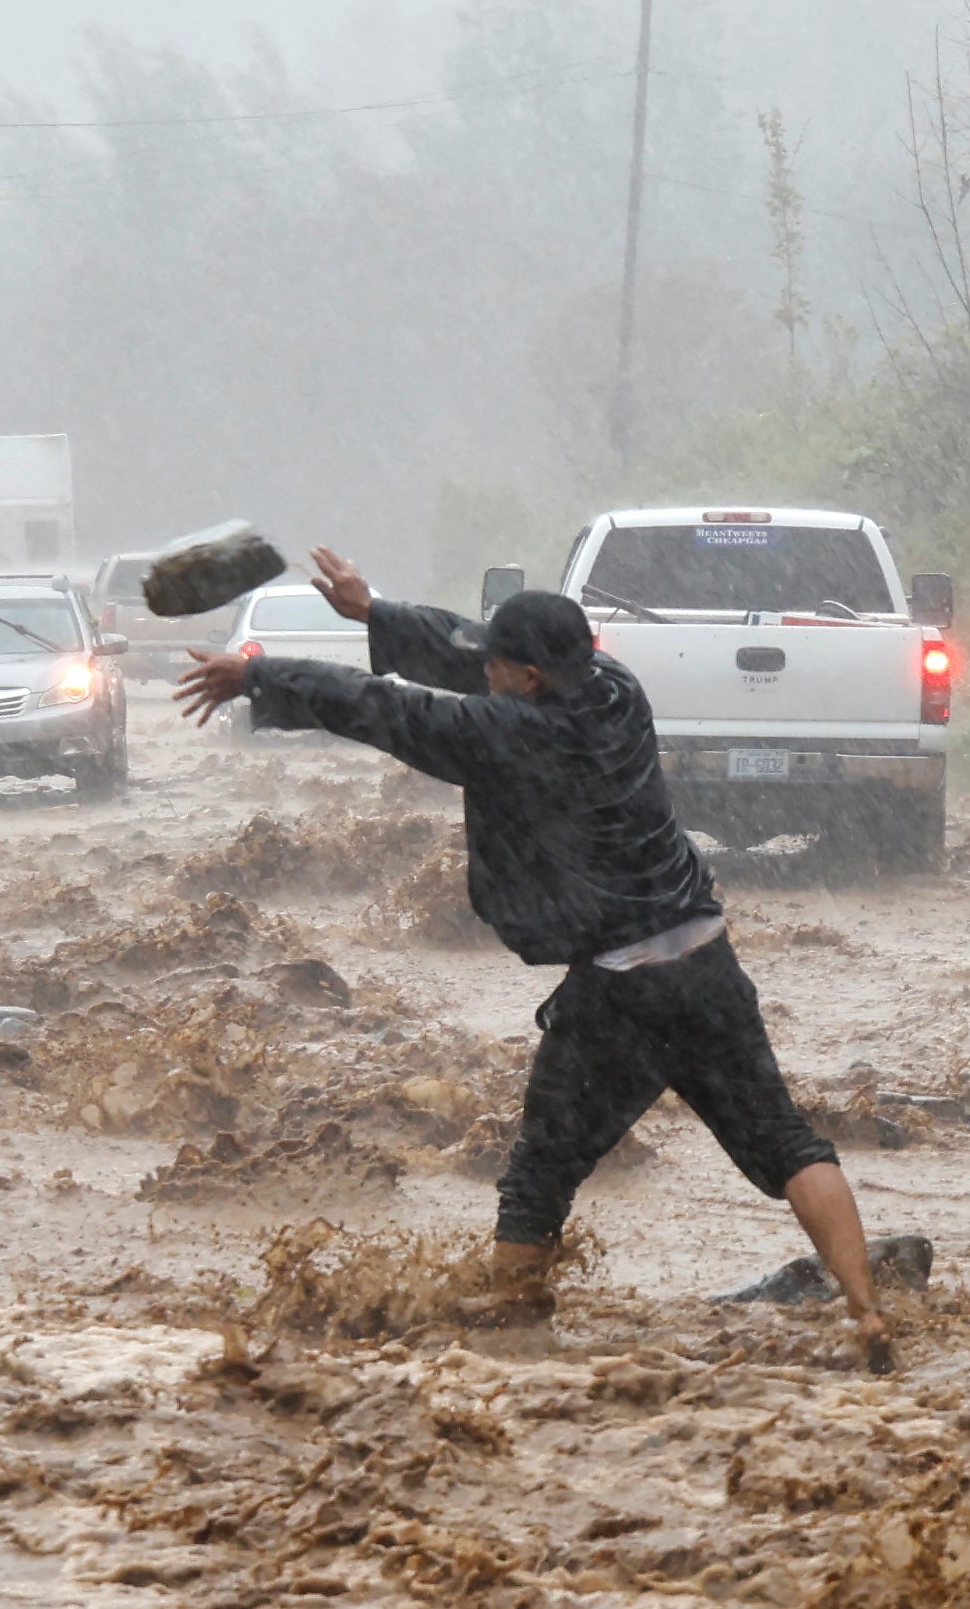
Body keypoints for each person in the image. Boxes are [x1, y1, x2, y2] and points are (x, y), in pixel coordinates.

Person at [176, 550, 896, 1366]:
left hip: (619, 990)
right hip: (705, 960)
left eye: (495, 668)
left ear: (524, 677)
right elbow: (458, 650)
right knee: (789, 1144)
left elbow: (384, 708)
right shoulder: (617, 688)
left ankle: (512, 1345)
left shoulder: (507, 735)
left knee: (538, 1175)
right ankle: (867, 1312)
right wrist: (373, 611)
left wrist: (260, 677)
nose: (479, 674)